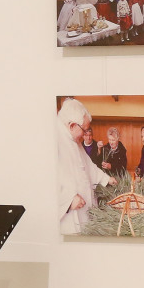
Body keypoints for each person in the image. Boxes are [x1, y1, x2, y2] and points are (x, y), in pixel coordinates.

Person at [57, 98, 110, 234]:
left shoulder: (74, 139)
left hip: (84, 212)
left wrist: (106, 179)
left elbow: (88, 166)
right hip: (68, 217)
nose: (86, 134)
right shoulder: (52, 140)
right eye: (84, 130)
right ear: (72, 125)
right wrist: (68, 201)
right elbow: (42, 183)